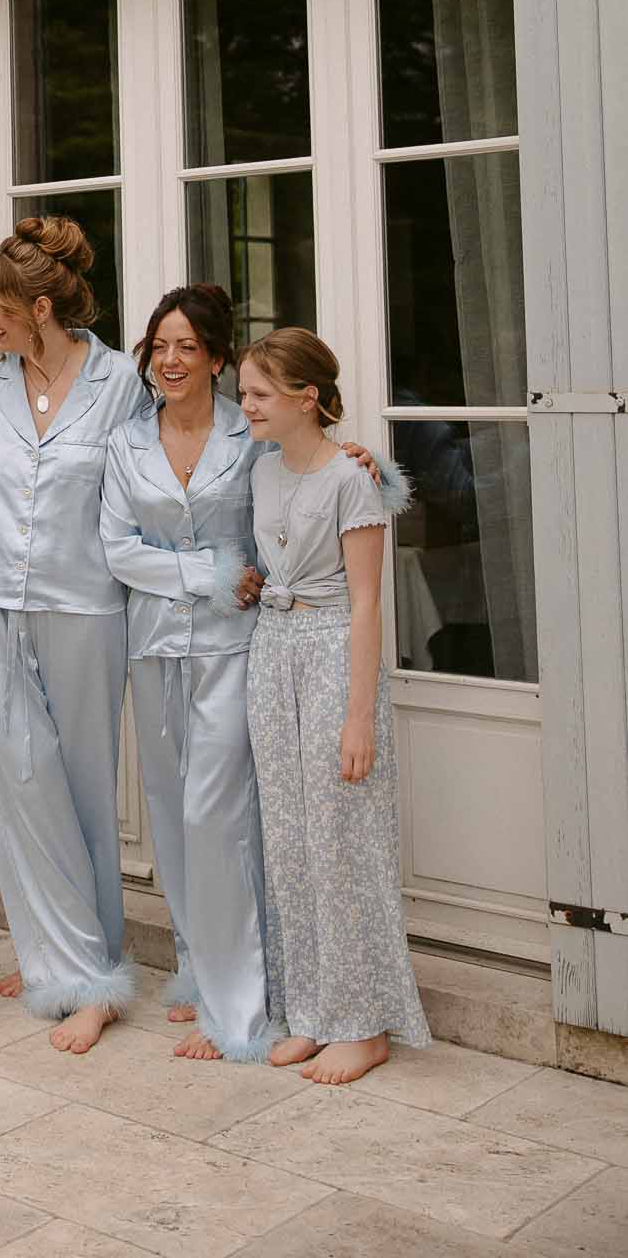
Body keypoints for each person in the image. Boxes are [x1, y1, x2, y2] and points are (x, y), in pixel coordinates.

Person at [0, 216, 146, 1055]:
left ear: (37, 307)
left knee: (82, 784)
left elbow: (187, 450)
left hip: (84, 604)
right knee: (18, 781)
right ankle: (51, 954)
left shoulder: (120, 384)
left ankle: (91, 965)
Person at [240, 326, 430, 1085]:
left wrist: (358, 715)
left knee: (343, 842)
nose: (245, 405)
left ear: (304, 398)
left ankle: (364, 1023)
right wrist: (252, 583)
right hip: (269, 652)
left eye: (258, 393)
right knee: (288, 840)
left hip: (329, 656)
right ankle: (311, 1012)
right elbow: (271, 559)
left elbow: (365, 604)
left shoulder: (352, 481)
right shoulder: (260, 472)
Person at [100, 285, 278, 1062]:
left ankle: (237, 1008)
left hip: (230, 649)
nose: (169, 361)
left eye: (186, 348)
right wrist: (207, 571)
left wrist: (360, 465)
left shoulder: (251, 436)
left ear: (214, 359)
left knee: (217, 818)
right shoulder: (125, 444)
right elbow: (116, 547)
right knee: (172, 817)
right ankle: (198, 970)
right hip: (154, 645)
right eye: (158, 346)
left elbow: (293, 499)